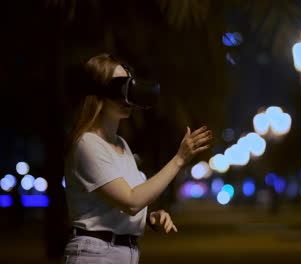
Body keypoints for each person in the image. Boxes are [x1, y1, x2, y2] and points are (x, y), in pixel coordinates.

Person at [63, 53, 213, 264]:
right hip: (94, 254)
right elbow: (131, 201)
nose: (127, 96)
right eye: (119, 87)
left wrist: (149, 217)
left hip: (125, 252)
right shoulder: (87, 144)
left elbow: (132, 201)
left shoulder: (121, 145)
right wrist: (179, 159)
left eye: (129, 87)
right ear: (97, 92)